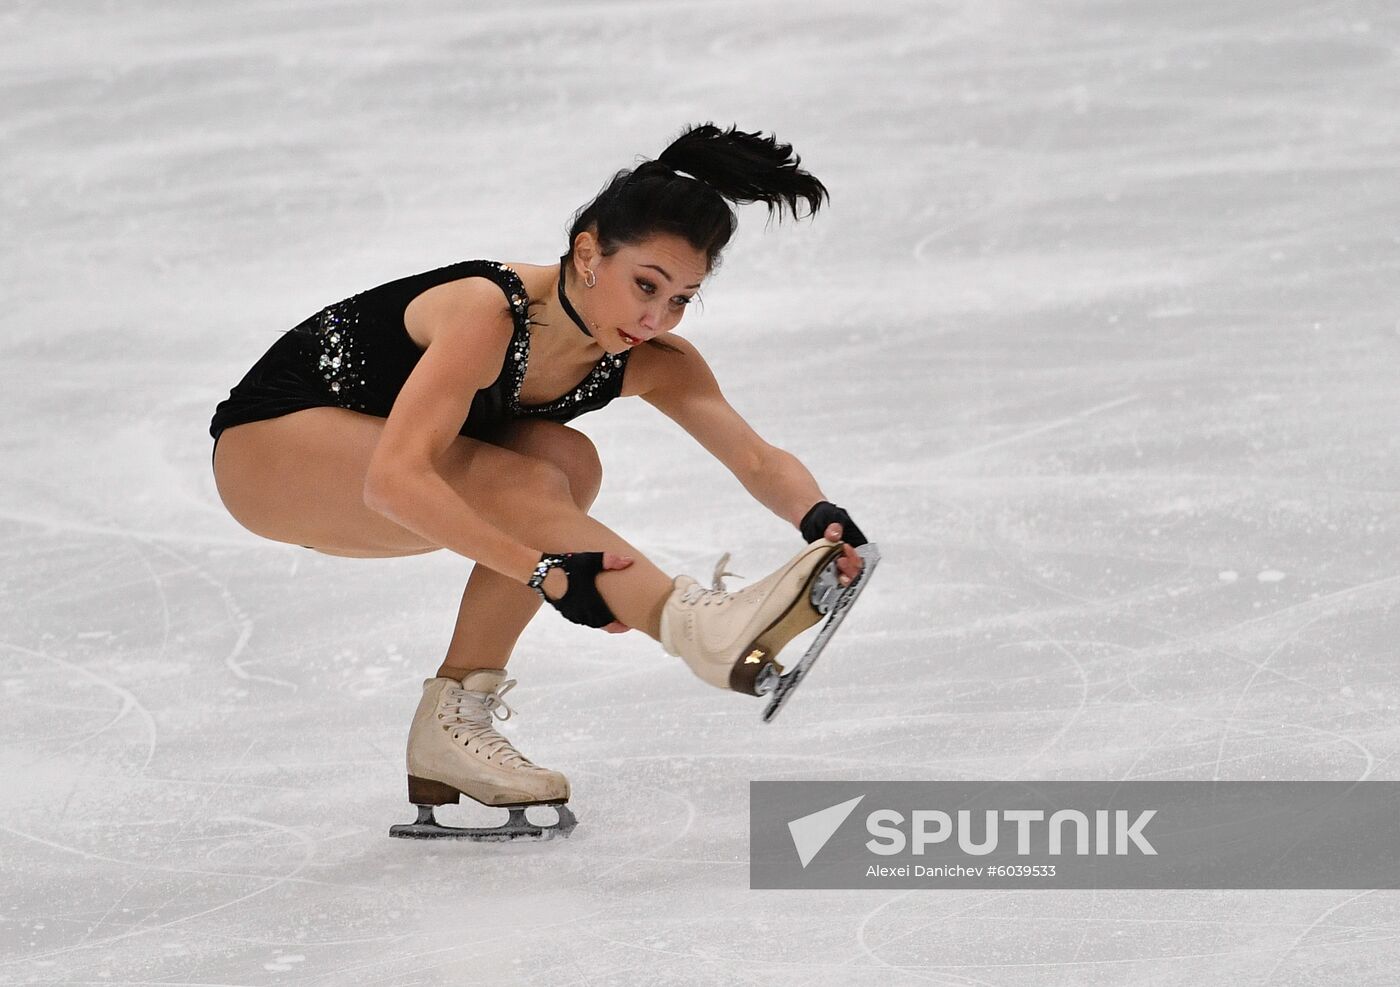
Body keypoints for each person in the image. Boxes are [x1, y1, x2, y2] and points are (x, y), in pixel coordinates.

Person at [209, 123, 870, 836]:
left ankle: (452, 715)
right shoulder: (489, 313)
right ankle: (695, 625)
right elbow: (396, 481)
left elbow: (756, 457)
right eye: (645, 285)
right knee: (519, 479)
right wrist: (549, 573)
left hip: (372, 475)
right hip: (269, 451)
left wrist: (820, 515)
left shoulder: (651, 358)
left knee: (568, 464)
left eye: (681, 298)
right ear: (588, 254)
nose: (655, 318)